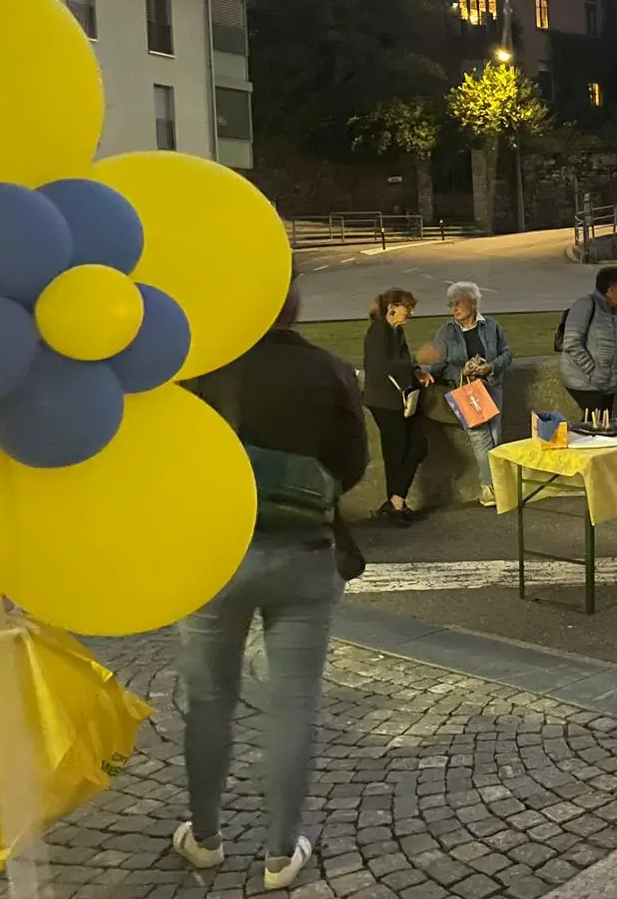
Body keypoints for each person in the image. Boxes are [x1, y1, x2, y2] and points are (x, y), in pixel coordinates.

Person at [175, 276, 368, 890]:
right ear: (295, 307)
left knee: (208, 700)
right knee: (294, 705)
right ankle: (281, 854)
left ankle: (204, 837)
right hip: (305, 555)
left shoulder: (203, 373)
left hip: (218, 556)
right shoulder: (332, 371)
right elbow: (353, 465)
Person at [433, 281, 514, 506]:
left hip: (491, 386)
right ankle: (490, 488)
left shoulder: (492, 326)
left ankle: (495, 487)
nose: (454, 308)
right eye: (451, 304)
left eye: (458, 303)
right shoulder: (445, 332)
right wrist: (463, 370)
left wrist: (490, 367)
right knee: (480, 438)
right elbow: (436, 367)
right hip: (466, 392)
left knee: (495, 436)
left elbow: (507, 354)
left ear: (473, 302)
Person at [361, 287, 430, 527]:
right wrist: (417, 362)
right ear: (392, 308)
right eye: (407, 307)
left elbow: (401, 363)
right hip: (384, 401)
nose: (410, 312)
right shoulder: (378, 332)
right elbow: (382, 367)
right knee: (398, 450)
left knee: (413, 447)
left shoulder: (395, 331)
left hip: (396, 400)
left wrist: (417, 370)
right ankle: (396, 503)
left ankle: (395, 502)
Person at [560, 265, 617, 420]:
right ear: (610, 290)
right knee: (594, 427)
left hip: (609, 383)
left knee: (604, 425)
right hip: (584, 382)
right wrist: (594, 372)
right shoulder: (585, 305)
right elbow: (572, 343)